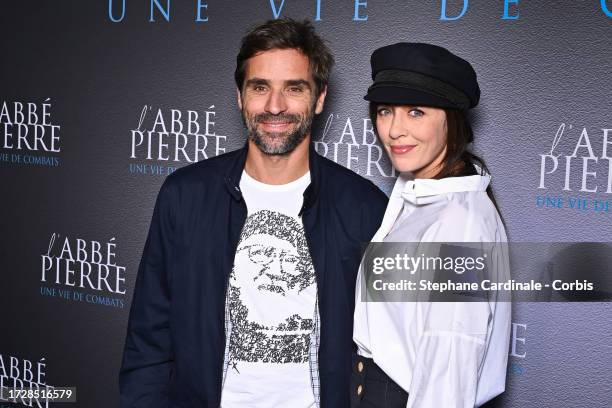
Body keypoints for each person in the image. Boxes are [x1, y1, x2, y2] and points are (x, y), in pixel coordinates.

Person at [119, 18, 388, 408]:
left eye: (293, 89)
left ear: (319, 98)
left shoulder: (365, 208)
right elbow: (149, 341)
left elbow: (390, 357)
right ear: (240, 96)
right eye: (260, 87)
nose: (274, 106)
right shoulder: (184, 195)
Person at [352, 43, 512, 407]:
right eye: (385, 111)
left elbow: (450, 364)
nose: (394, 130)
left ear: (450, 121)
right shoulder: (417, 194)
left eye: (416, 112)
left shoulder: (461, 223)